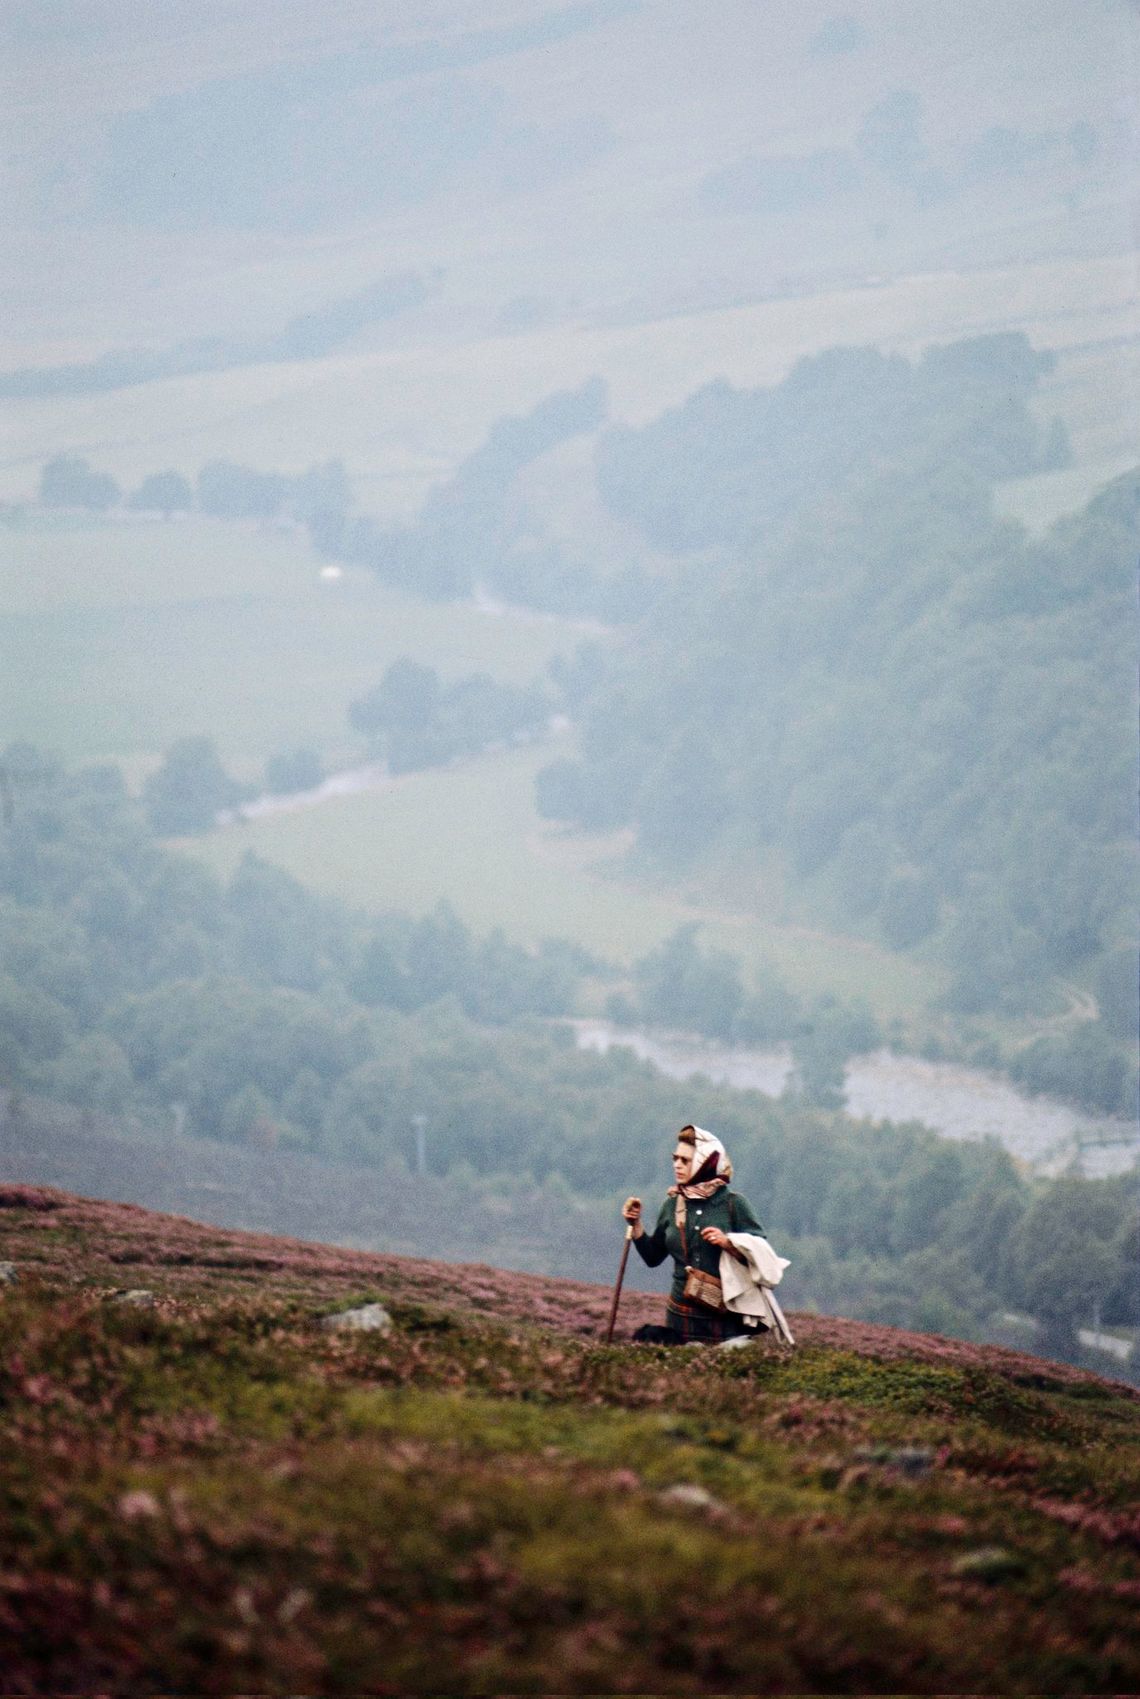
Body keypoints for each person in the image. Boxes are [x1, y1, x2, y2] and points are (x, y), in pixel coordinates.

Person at [621, 1123, 767, 1344]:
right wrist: (636, 1224)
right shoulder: (671, 1205)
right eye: (675, 1159)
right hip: (680, 1323)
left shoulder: (733, 1205)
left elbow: (762, 1255)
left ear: (705, 1162)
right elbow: (652, 1257)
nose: (677, 1165)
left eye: (685, 1160)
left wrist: (728, 1243)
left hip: (727, 1323)